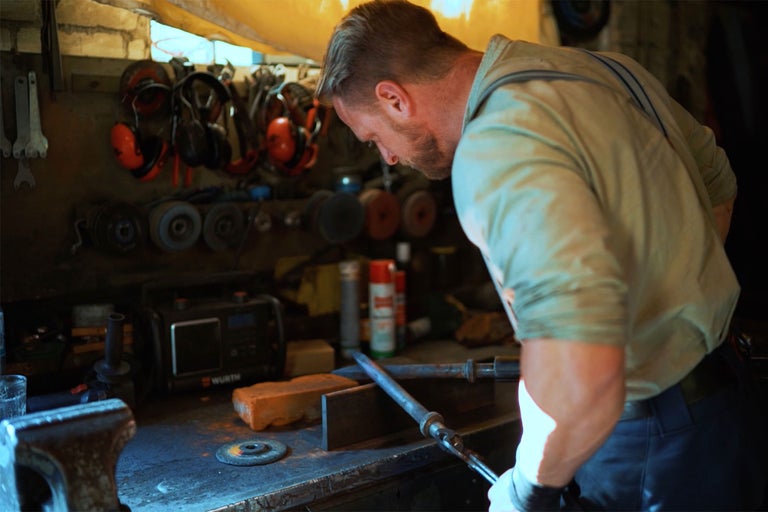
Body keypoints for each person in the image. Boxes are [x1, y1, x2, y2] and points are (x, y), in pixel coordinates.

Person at [315, 1, 767, 510]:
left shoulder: (495, 151)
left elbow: (581, 366)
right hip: (727, 407)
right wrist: (676, 296)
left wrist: (527, 486)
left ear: (394, 98)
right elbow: (717, 184)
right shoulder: (606, 69)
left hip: (645, 446)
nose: (388, 158)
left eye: (374, 138)